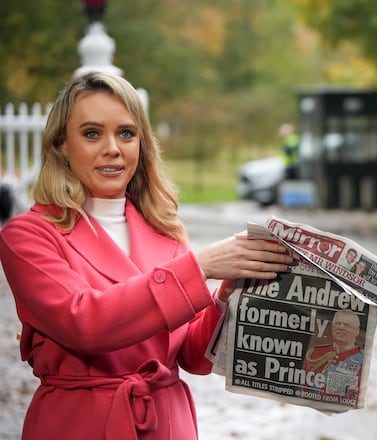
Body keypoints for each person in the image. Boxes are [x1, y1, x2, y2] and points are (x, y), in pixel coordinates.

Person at [0, 72, 293, 440]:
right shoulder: (28, 235)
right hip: (78, 424)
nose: (113, 148)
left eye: (126, 133)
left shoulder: (165, 230)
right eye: (92, 134)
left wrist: (229, 292)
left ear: (142, 144)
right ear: (61, 144)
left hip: (166, 423)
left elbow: (194, 358)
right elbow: (83, 323)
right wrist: (199, 268)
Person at [303, 309, 364, 398]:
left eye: (347, 325)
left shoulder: (362, 361)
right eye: (338, 323)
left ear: (356, 331)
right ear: (332, 327)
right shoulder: (315, 353)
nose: (341, 327)